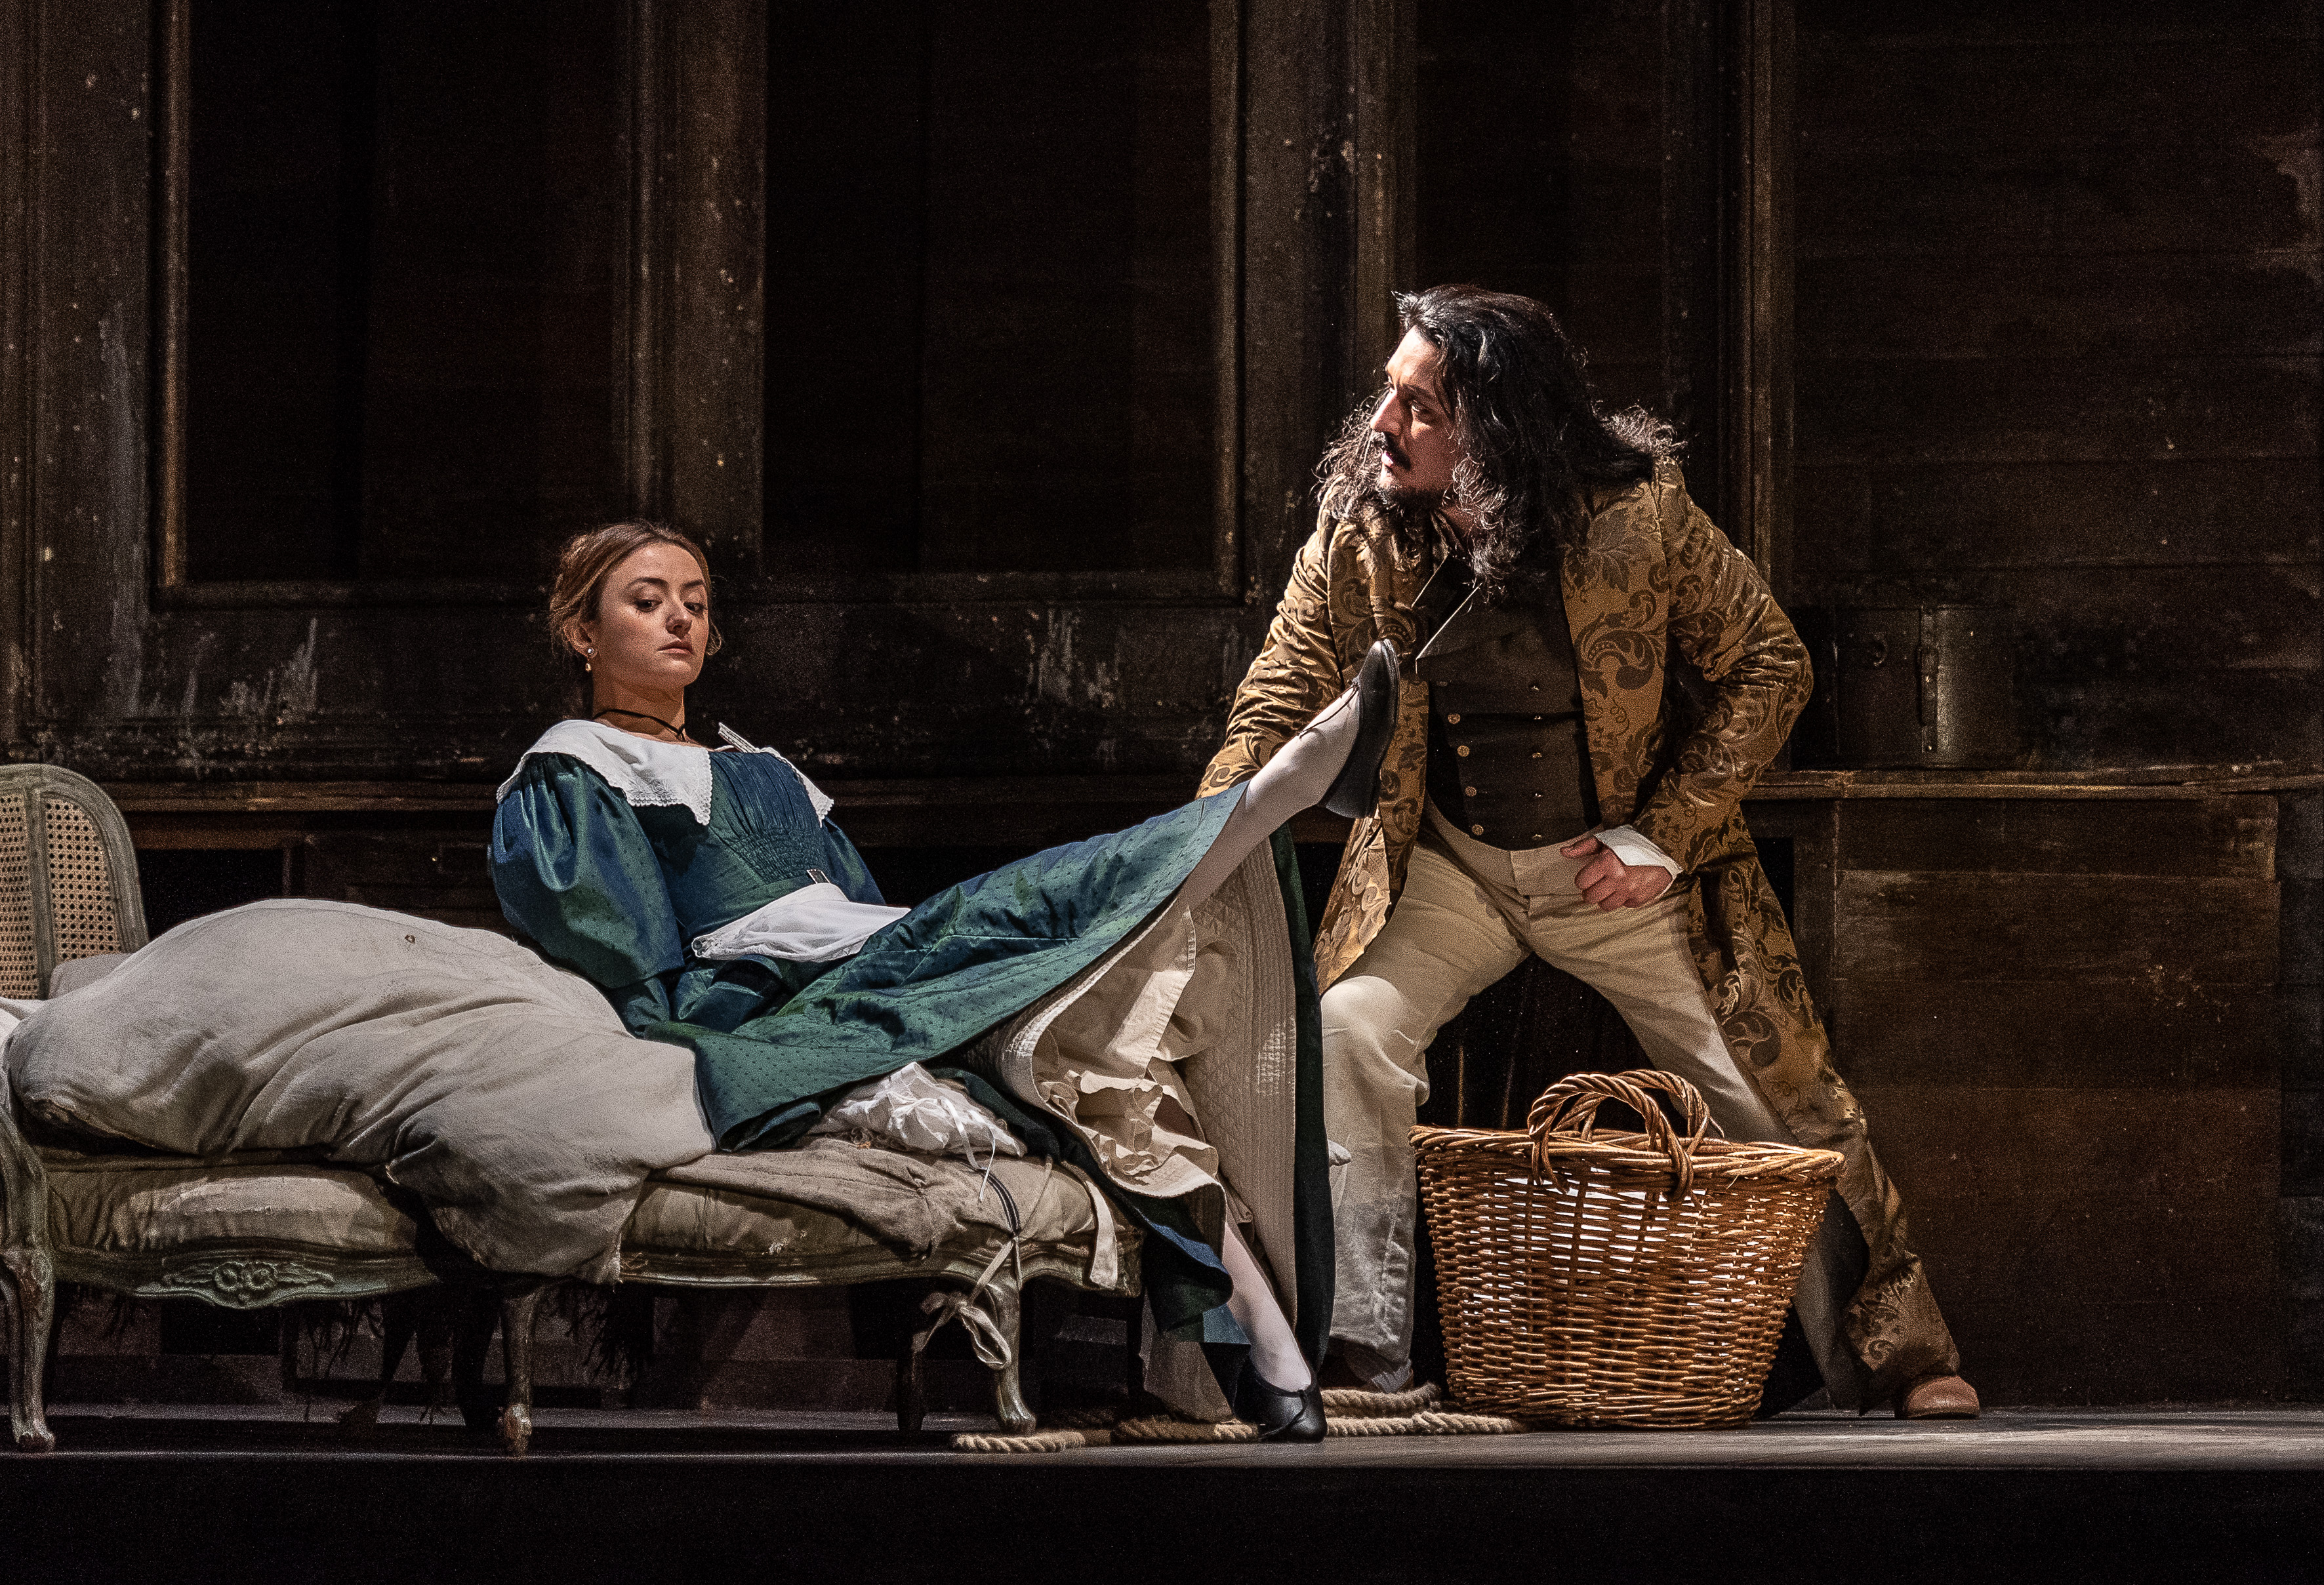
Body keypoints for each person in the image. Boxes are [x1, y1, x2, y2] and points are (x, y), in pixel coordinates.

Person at [1199, 285, 1978, 1420]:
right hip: (1449, 870)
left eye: (1421, 407)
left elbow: (1772, 663)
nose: (1384, 424)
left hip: (1614, 876)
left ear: (1498, 428)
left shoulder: (1638, 515)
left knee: (1769, 1087)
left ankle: (1904, 1356)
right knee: (1346, 1033)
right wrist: (1197, 839)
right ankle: (1361, 1355)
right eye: (1389, 394)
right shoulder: (1358, 530)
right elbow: (1277, 693)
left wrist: (1663, 834)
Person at [489, 521, 1398, 1439]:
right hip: (765, 994)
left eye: (695, 601)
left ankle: (1269, 1353)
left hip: (872, 962)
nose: (680, 619)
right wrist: (690, 1058)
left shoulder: (758, 764)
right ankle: (1268, 798)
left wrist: (898, 976)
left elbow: (854, 902)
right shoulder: (574, 767)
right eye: (648, 602)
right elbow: (621, 953)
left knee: (1091, 1059)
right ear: (583, 632)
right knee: (1031, 923)